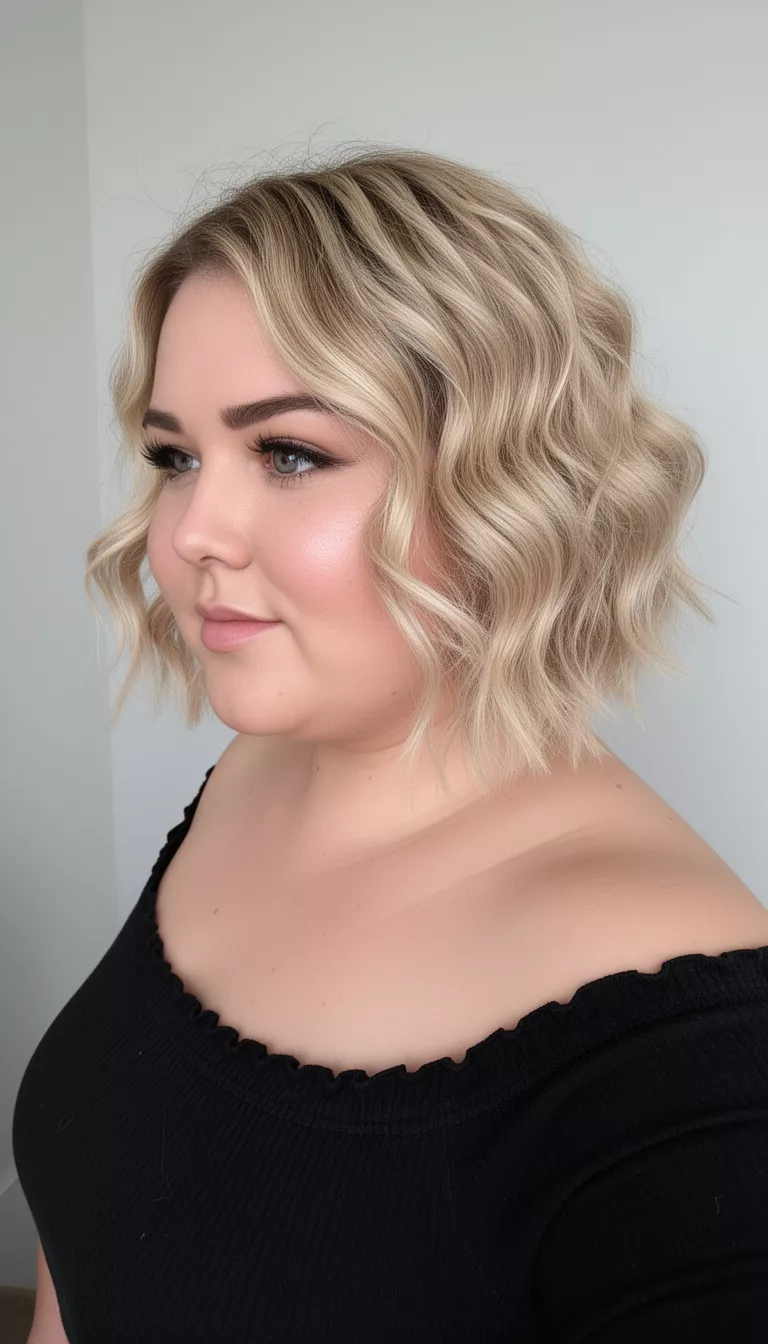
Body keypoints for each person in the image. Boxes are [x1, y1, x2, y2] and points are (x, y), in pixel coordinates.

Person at [13, 145, 768, 1343]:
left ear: (506, 481)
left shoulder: (692, 1058)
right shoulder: (255, 772)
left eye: (290, 453)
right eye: (175, 457)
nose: (192, 530)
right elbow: (101, 1217)